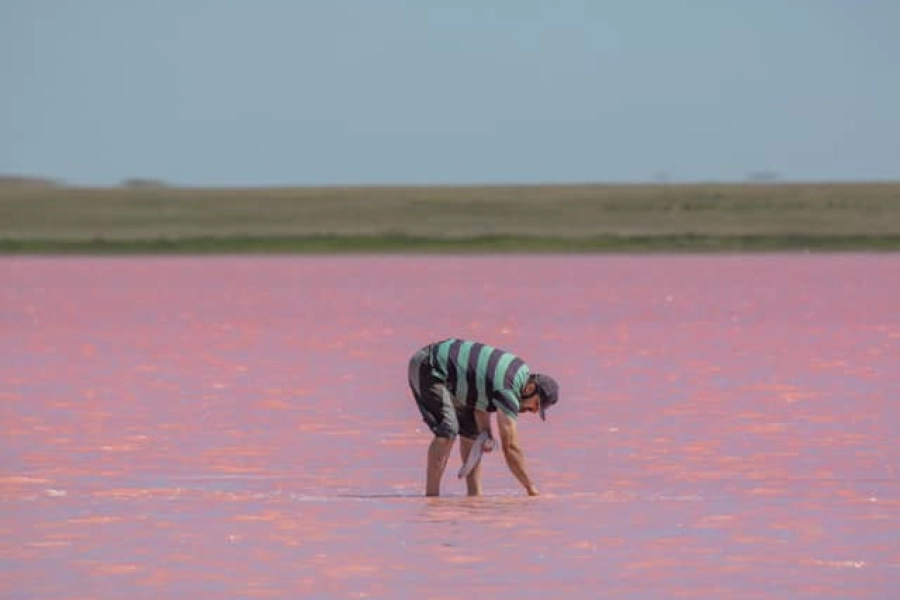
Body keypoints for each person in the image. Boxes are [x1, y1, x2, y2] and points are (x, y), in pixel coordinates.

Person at [407, 338, 560, 497]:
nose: (534, 411)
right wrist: (530, 488)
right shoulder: (508, 390)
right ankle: (432, 499)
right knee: (448, 430)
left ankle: (475, 498)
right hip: (428, 365)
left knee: (473, 435)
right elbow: (511, 447)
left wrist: (486, 433)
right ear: (530, 388)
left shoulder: (521, 372)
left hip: (449, 376)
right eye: (536, 404)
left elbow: (482, 398)